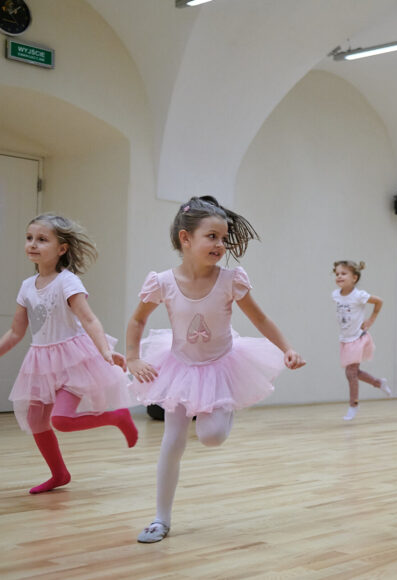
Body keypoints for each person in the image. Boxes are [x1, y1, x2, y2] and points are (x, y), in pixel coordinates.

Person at [127, 196, 305, 543]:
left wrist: (288, 348)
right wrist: (133, 357)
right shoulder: (162, 282)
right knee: (173, 441)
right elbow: (137, 320)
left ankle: (226, 408)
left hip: (222, 365)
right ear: (185, 238)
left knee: (211, 437)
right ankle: (161, 519)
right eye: (212, 236)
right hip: (179, 365)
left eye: (224, 238)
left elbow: (260, 318)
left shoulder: (231, 280)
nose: (221, 245)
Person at [0, 214, 137, 494]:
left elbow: (89, 320)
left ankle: (117, 416)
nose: (33, 245)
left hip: (74, 359)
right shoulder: (27, 286)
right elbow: (16, 332)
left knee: (61, 420)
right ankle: (59, 474)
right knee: (38, 422)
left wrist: (106, 351)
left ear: (61, 248)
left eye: (42, 239)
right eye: (29, 238)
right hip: (40, 361)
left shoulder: (67, 281)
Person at [332, 260, 391, 421]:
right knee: (354, 372)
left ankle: (353, 405)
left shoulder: (359, 295)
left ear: (354, 278)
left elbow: (379, 301)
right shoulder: (335, 294)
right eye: (337, 274)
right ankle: (379, 383)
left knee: (350, 373)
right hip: (345, 340)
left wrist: (371, 319)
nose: (339, 276)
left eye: (343, 273)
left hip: (358, 338)